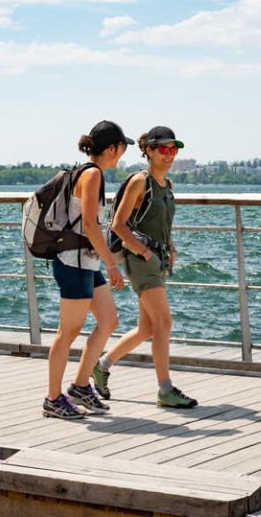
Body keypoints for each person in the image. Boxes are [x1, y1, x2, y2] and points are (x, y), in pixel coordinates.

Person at [93, 126, 197, 409]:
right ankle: (165, 390)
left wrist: (171, 247)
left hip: (157, 259)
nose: (169, 154)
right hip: (139, 260)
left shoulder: (168, 185)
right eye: (163, 149)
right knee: (164, 322)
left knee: (147, 328)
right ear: (149, 151)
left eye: (173, 149)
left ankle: (101, 366)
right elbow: (118, 225)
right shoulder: (141, 182)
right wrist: (145, 253)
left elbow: (161, 225)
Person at [43, 120, 131, 419]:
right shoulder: (92, 175)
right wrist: (111, 263)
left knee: (108, 320)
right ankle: (53, 400)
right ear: (111, 148)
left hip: (86, 261)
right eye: (121, 147)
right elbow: (91, 224)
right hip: (74, 262)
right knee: (67, 332)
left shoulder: (90, 172)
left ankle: (80, 387)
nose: (122, 153)